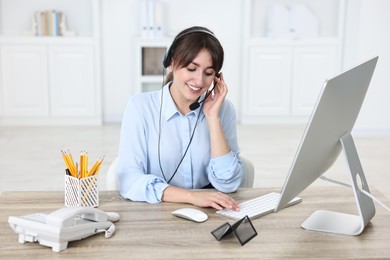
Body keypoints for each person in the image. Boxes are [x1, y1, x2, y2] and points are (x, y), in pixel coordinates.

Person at [117, 26, 243, 211]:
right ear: (171, 63)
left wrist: (212, 118)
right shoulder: (140, 107)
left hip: (210, 213)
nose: (199, 81)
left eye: (208, 73)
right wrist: (191, 197)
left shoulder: (223, 110)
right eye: (191, 68)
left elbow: (229, 183)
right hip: (156, 211)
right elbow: (128, 179)